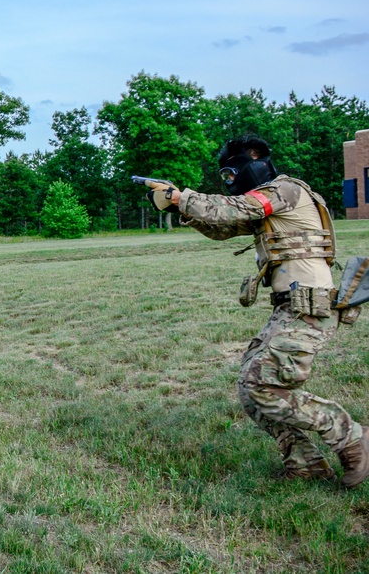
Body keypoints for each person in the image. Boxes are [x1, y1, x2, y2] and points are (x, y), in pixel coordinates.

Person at [156, 135, 368, 487]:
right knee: (250, 387)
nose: (230, 182)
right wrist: (179, 206)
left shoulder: (285, 191)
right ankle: (305, 463)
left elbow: (234, 209)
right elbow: (222, 227)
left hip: (310, 306)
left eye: (231, 173)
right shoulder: (267, 202)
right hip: (291, 306)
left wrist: (183, 196)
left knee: (263, 386)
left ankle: (352, 437)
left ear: (253, 162)